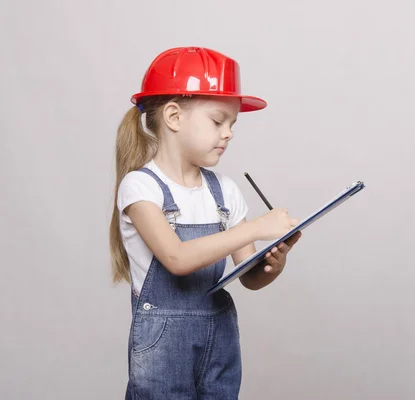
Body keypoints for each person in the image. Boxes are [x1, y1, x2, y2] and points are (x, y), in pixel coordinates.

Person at [108, 46, 302, 399]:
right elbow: (178, 259)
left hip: (220, 338)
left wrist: (274, 262)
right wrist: (255, 228)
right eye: (217, 121)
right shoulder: (140, 187)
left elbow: (250, 278)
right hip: (164, 345)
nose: (228, 133)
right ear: (173, 117)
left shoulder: (225, 192)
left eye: (232, 124)